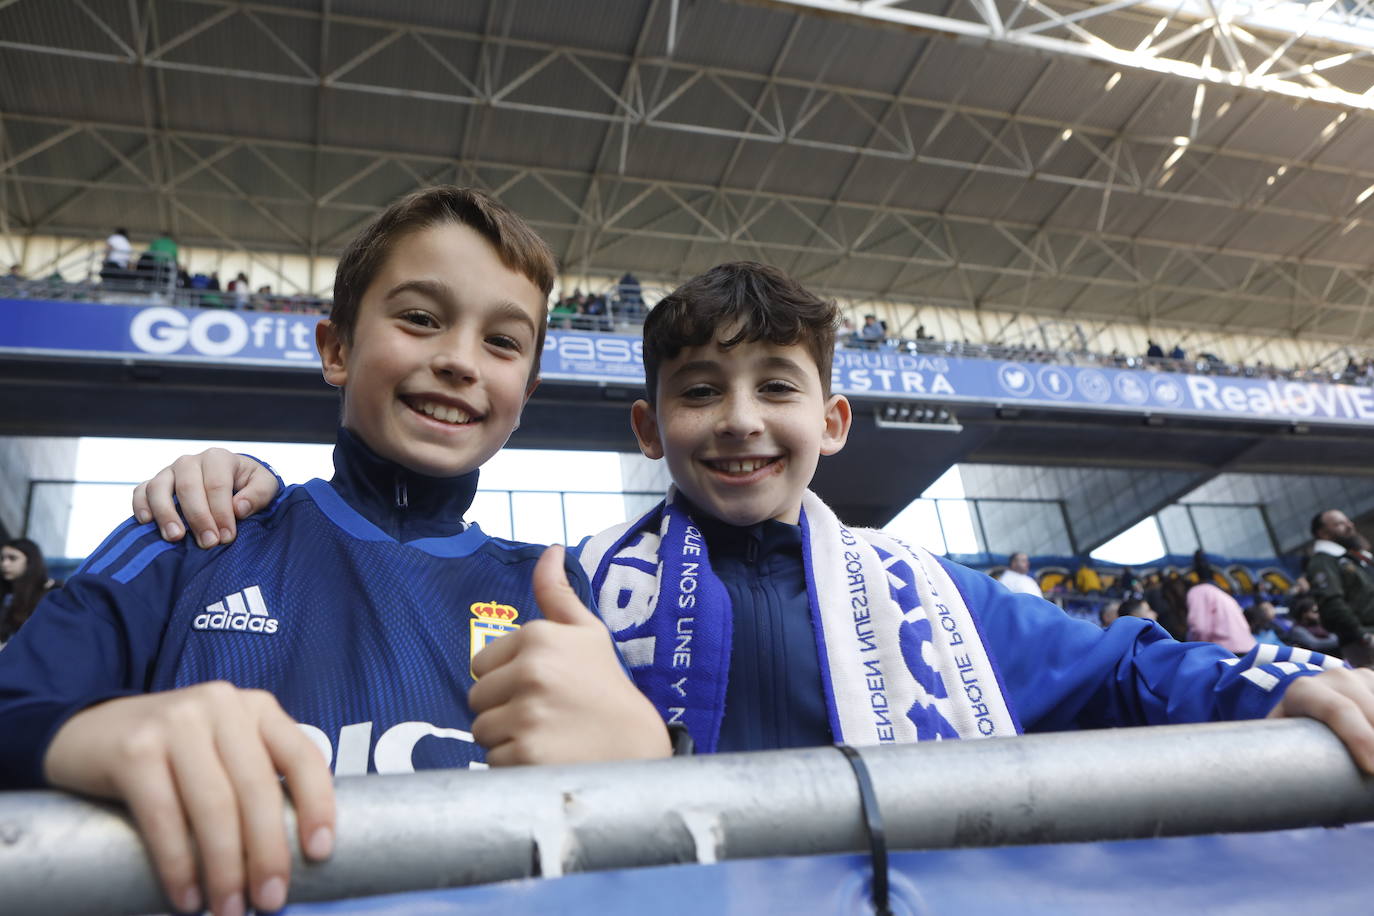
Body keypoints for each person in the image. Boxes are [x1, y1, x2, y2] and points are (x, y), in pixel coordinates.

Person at [142, 261, 1374, 768]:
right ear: (647, 429)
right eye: (698, 393)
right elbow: (401, 670)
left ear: (832, 422)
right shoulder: (559, 590)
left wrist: (1273, 682)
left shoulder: (935, 595)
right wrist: (250, 484)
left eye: (777, 388)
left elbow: (1125, 669)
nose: (739, 420)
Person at [0, 186, 668, 916]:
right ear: (337, 348)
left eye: (502, 341)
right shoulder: (196, 528)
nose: (459, 360)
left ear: (526, 390)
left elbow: (637, 848)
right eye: (420, 319)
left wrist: (655, 765)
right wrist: (91, 732)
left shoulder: (552, 587)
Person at [1306, 509, 1374, 663]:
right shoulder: (1323, 562)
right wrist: (1362, 635)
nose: (1350, 525)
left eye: (1348, 521)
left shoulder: (1353, 557)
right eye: (1339, 524)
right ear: (1323, 533)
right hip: (1364, 641)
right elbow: (1332, 603)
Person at [0, 538, 60, 646]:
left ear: (30, 561)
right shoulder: (7, 594)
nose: (4, 564)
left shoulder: (53, 592)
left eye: (12, 558)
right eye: (2, 559)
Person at [1186, 583, 1256, 655]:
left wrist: (1191, 649)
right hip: (1248, 648)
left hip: (1225, 651)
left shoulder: (1197, 591)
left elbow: (1200, 628)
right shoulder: (1223, 595)